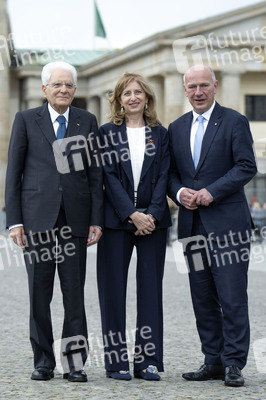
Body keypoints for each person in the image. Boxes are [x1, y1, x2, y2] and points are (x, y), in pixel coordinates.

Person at [5, 61, 104, 382]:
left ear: (75, 90)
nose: (63, 90)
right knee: (39, 294)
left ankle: (74, 363)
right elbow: (13, 174)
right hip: (37, 222)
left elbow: (95, 174)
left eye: (69, 85)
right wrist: (14, 221)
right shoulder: (25, 120)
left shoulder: (87, 121)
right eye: (57, 85)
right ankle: (43, 361)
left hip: (75, 222)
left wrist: (95, 220)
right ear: (45, 89)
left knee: (74, 295)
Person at [168, 65, 257, 387]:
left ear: (215, 86)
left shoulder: (234, 121)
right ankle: (213, 360)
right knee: (202, 298)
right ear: (185, 89)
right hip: (191, 226)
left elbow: (247, 165)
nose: (198, 92)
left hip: (229, 225)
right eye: (192, 87)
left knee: (232, 297)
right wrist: (179, 193)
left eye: (204, 85)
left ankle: (234, 363)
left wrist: (211, 191)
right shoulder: (175, 128)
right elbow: (172, 173)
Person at [96, 72, 171, 381]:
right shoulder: (106, 133)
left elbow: (165, 173)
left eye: (138, 92)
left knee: (150, 292)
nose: (133, 97)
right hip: (116, 221)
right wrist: (131, 214)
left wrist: (150, 215)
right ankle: (116, 362)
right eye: (126, 93)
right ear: (119, 99)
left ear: (147, 98)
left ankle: (148, 361)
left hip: (154, 222)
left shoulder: (161, 133)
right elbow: (108, 178)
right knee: (112, 292)